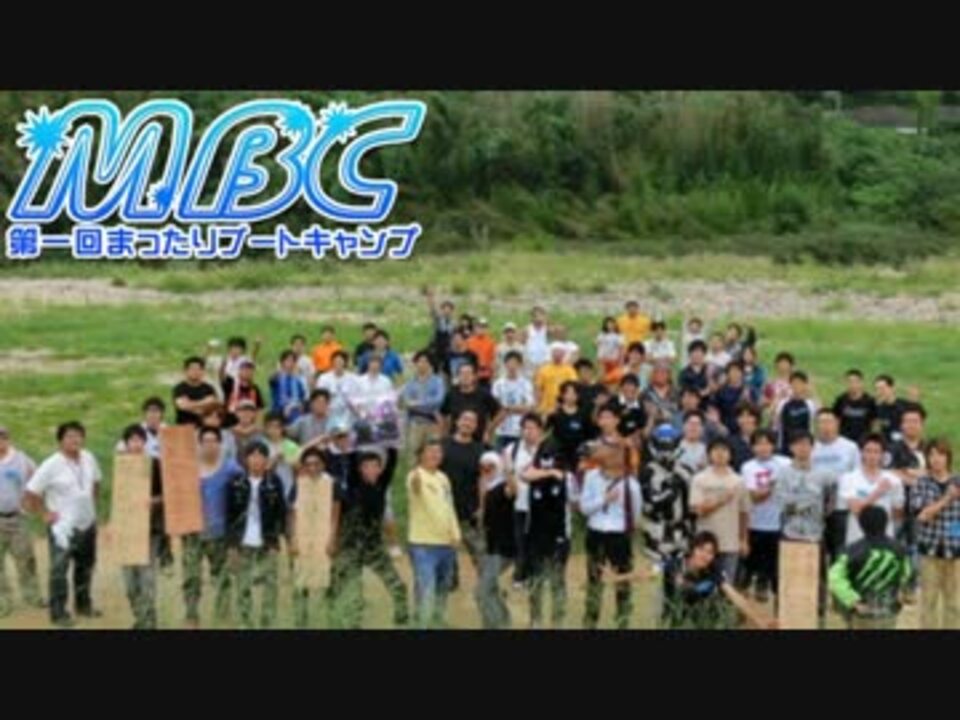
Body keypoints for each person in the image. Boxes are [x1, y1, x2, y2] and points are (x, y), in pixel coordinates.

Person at [609, 530, 775, 630]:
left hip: (701, 621)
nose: (705, 555)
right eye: (701, 549)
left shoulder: (713, 571)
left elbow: (735, 596)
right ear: (692, 549)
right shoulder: (674, 562)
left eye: (710, 552)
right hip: (672, 619)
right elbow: (647, 573)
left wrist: (759, 620)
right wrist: (617, 577)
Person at [23, 421, 102, 627]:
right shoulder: (51, 464)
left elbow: (96, 483)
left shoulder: (89, 458)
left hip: (87, 523)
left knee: (85, 567)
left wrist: (93, 507)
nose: (75, 439)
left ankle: (83, 605)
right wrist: (44, 513)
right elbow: (31, 492)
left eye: (78, 435)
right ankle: (58, 614)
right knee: (59, 571)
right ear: (60, 441)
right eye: (69, 436)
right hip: (62, 528)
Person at [327, 448, 409, 629]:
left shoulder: (381, 486)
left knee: (397, 586)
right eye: (366, 466)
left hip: (373, 546)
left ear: (380, 469)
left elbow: (392, 459)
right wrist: (355, 442)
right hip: (350, 546)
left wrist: (391, 443)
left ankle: (401, 621)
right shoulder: (353, 485)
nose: (371, 470)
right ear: (360, 469)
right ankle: (347, 623)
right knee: (351, 591)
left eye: (375, 466)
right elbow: (352, 457)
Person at [225, 441, 290, 629]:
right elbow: (229, 515)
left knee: (269, 586)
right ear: (246, 459)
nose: (256, 460)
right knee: (243, 585)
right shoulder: (236, 482)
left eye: (261, 455)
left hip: (266, 542)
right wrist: (232, 546)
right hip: (242, 542)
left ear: (266, 460)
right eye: (252, 455)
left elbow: (281, 514)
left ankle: (266, 622)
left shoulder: (274, 482)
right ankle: (246, 623)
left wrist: (276, 544)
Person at [182, 426, 241, 629]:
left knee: (221, 576)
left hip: (219, 533)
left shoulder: (231, 468)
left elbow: (241, 496)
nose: (209, 445)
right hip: (192, 533)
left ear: (220, 444)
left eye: (213, 441)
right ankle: (191, 615)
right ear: (199, 444)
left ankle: (223, 614)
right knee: (191, 576)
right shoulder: (188, 469)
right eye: (205, 441)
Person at [580, 446, 642, 629]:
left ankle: (622, 621)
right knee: (594, 579)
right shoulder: (591, 477)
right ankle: (590, 622)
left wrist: (627, 530)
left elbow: (636, 514)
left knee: (622, 581)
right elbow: (584, 508)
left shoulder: (631, 484)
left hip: (619, 536)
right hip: (596, 532)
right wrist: (604, 500)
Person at [775, 430, 835, 617]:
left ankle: (818, 616)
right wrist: (808, 503)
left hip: (815, 534)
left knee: (818, 578)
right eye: (798, 444)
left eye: (806, 444)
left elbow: (830, 502)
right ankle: (785, 616)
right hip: (790, 533)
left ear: (812, 447)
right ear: (791, 447)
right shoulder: (783, 474)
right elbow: (782, 504)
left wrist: (812, 507)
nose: (802, 448)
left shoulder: (825, 474)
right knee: (787, 577)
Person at [520, 426, 572, 629]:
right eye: (544, 456)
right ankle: (535, 620)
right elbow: (526, 475)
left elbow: (569, 488)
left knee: (557, 578)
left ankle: (558, 621)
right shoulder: (536, 471)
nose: (547, 459)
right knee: (536, 578)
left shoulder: (567, 476)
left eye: (551, 457)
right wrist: (549, 472)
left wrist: (558, 473)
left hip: (559, 533)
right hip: (536, 532)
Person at [406, 439, 461, 629]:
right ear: (421, 455)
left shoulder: (443, 478)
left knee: (442, 591)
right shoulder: (415, 476)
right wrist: (415, 470)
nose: (435, 455)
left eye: (438, 451)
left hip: (446, 544)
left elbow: (449, 507)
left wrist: (456, 534)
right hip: (423, 545)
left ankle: (436, 623)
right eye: (430, 451)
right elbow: (415, 486)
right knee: (426, 591)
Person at [828, 506, 911, 629]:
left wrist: (853, 601)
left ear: (861, 525)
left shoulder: (851, 550)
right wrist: (902, 593)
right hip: (888, 610)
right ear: (886, 522)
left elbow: (835, 578)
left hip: (860, 612)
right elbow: (907, 574)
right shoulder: (899, 549)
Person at [116, 424, 164, 630]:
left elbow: (167, 494)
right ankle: (139, 617)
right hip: (126, 531)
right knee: (129, 582)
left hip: (150, 530)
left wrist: (154, 501)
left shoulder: (155, 465)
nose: (136, 444)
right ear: (126, 444)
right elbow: (116, 500)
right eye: (132, 440)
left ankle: (149, 622)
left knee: (147, 578)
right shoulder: (121, 466)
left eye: (139, 440)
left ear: (145, 443)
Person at [912, 439, 960, 629]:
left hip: (955, 553)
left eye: (941, 454)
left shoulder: (958, 481)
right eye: (931, 455)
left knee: (954, 604)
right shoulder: (921, 483)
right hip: (929, 552)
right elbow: (921, 515)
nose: (936, 459)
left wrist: (934, 511)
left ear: (948, 457)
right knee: (928, 603)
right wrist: (947, 499)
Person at [287, 447, 337, 628]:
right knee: (301, 581)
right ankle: (301, 622)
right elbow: (292, 513)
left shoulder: (332, 483)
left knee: (327, 580)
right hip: (302, 536)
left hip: (324, 536)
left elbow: (335, 514)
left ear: (323, 464)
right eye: (308, 464)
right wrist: (293, 539)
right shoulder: (299, 483)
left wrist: (332, 539)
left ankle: (331, 621)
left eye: (316, 464)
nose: (312, 468)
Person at [739, 430, 790, 601]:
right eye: (758, 443)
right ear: (752, 447)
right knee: (749, 567)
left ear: (773, 445)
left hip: (779, 524)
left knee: (776, 570)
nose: (763, 447)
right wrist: (773, 484)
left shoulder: (785, 463)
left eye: (767, 443)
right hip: (754, 523)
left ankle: (778, 605)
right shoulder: (747, 467)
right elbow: (754, 497)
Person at [690, 437, 750, 583]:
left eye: (724, 450)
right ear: (709, 454)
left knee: (727, 584)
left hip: (730, 543)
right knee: (702, 585)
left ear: (730, 454)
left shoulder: (738, 481)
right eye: (716, 450)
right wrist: (721, 500)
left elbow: (743, 512)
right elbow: (698, 509)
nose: (720, 454)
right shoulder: (699, 479)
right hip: (705, 544)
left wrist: (743, 539)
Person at [886, 405, 927, 601]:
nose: (911, 425)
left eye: (915, 421)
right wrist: (916, 476)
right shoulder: (892, 448)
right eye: (907, 421)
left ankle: (913, 586)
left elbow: (937, 473)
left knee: (917, 547)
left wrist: (907, 473)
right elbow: (888, 473)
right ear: (901, 425)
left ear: (922, 424)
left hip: (922, 509)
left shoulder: (929, 448)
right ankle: (893, 586)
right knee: (894, 545)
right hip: (897, 508)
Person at [0, 426, 43, 614]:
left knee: (26, 559)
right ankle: (2, 602)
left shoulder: (22, 460)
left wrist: (31, 504)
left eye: (2, 437)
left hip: (17, 519)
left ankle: (32, 595)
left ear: (8, 439)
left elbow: (38, 480)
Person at [812, 409, 861, 568]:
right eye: (821, 422)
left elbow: (857, 476)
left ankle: (837, 580)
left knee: (839, 549)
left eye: (829, 421)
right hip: (815, 507)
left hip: (841, 507)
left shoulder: (850, 447)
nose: (825, 426)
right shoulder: (810, 446)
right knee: (816, 548)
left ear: (837, 423)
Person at [502, 413, 546, 588]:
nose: (527, 432)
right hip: (519, 503)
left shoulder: (548, 450)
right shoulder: (511, 450)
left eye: (531, 428)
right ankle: (520, 576)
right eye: (524, 428)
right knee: (520, 541)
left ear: (540, 430)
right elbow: (506, 474)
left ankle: (535, 576)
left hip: (541, 505)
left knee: (537, 542)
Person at [440, 411, 486, 577]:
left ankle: (488, 584)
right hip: (444, 508)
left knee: (479, 550)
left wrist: (482, 506)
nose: (467, 423)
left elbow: (482, 480)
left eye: (472, 421)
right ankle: (450, 582)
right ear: (457, 422)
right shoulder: (442, 445)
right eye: (464, 419)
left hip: (470, 509)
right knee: (447, 548)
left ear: (476, 426)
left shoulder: (480, 450)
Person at [838, 433, 904, 546]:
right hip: (857, 540)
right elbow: (856, 509)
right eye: (868, 451)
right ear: (861, 453)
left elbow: (897, 512)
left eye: (876, 451)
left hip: (885, 539)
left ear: (883, 455)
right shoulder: (849, 479)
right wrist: (877, 493)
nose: (872, 456)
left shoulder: (894, 480)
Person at [475, 451, 516, 629]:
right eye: (483, 467)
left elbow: (513, 490)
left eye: (490, 467)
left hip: (504, 549)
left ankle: (495, 624)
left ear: (498, 467)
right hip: (492, 548)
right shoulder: (489, 489)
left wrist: (508, 470)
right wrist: (482, 492)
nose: (486, 471)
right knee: (489, 589)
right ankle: (503, 620)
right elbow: (483, 517)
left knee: (481, 592)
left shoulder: (503, 486)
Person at [400, 351, 445, 464]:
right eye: (419, 361)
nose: (422, 364)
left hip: (432, 423)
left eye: (425, 361)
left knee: (431, 454)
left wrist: (417, 403)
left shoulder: (437, 381)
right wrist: (426, 404)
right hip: (415, 423)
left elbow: (438, 400)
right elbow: (407, 402)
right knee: (414, 454)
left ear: (431, 364)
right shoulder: (411, 383)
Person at [439, 362, 503, 443]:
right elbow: (442, 414)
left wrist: (489, 430)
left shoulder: (484, 394)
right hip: (456, 439)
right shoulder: (451, 394)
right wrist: (444, 433)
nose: (465, 377)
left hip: (478, 439)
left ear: (474, 376)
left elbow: (500, 412)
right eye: (462, 374)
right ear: (458, 377)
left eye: (468, 374)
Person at [491, 351, 536, 452]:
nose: (512, 366)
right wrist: (517, 408)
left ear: (520, 365)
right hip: (501, 430)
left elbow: (529, 407)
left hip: (519, 430)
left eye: (515, 363)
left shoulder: (525, 384)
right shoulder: (498, 384)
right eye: (510, 363)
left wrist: (508, 408)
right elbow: (496, 407)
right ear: (505, 364)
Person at [546, 381, 593, 475]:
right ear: (562, 395)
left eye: (574, 393)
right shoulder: (556, 413)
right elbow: (544, 429)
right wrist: (548, 415)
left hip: (578, 455)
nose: (571, 396)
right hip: (559, 455)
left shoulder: (584, 413)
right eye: (568, 393)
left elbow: (589, 435)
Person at [774, 371, 818, 455]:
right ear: (790, 385)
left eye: (800, 383)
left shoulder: (810, 404)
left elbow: (822, 413)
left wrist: (813, 393)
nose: (797, 386)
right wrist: (779, 396)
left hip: (805, 446)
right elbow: (774, 418)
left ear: (805, 385)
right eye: (794, 383)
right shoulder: (784, 403)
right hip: (785, 446)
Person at [534, 342, 577, 419]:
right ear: (551, 353)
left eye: (560, 352)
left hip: (564, 407)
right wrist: (537, 404)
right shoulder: (543, 370)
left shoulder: (569, 370)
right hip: (546, 408)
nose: (557, 354)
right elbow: (538, 389)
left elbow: (574, 387)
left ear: (564, 354)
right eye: (555, 352)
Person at [315, 350, 358, 428]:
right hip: (329, 412)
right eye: (336, 362)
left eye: (340, 362)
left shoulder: (353, 378)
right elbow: (319, 396)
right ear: (332, 363)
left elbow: (355, 398)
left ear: (345, 363)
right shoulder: (324, 378)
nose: (338, 364)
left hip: (347, 412)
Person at [173, 356, 220, 426]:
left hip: (205, 427)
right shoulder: (179, 388)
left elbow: (212, 405)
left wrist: (190, 404)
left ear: (203, 371)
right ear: (186, 371)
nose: (195, 372)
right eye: (192, 369)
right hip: (184, 426)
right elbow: (182, 406)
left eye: (198, 369)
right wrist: (204, 403)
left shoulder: (209, 388)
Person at [832, 369, 877, 443]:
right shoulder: (841, 400)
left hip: (863, 441)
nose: (853, 385)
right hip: (845, 440)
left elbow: (874, 422)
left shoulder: (870, 401)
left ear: (861, 383)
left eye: (856, 382)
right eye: (849, 382)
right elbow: (835, 420)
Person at [269, 350, 309, 426]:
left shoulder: (298, 380)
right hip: (279, 410)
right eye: (287, 360)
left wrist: (296, 406)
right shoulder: (277, 377)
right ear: (282, 363)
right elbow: (272, 382)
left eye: (293, 361)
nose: (290, 363)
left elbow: (302, 397)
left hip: (295, 409)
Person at [712, 362, 751, 435]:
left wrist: (748, 399)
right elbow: (714, 409)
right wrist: (719, 425)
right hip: (724, 427)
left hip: (743, 428)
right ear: (728, 374)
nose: (735, 374)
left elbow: (753, 411)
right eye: (732, 371)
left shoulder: (747, 390)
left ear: (742, 373)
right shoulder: (721, 391)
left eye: (737, 371)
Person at [222, 360, 265, 424]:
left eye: (250, 370)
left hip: (248, 421)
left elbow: (259, 408)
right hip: (230, 420)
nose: (247, 372)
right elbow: (222, 376)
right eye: (244, 370)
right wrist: (224, 364)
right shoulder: (231, 384)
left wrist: (257, 423)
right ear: (239, 371)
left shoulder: (255, 388)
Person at [425, 288, 456, 374]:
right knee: (434, 368)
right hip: (437, 347)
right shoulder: (438, 320)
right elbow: (432, 310)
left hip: (447, 349)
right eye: (445, 309)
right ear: (442, 310)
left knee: (447, 370)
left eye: (449, 309)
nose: (447, 311)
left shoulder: (453, 323)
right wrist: (430, 298)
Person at [642, 362, 680, 431]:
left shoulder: (676, 392)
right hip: (653, 427)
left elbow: (677, 410)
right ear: (653, 374)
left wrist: (659, 411)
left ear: (669, 375)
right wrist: (666, 412)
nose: (660, 374)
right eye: (657, 372)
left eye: (664, 372)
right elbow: (649, 411)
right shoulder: (646, 392)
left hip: (673, 427)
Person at [466, 317, 497, 388]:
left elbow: (494, 360)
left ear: (487, 329)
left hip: (486, 375)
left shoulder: (491, 343)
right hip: (472, 375)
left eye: (484, 327)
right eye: (479, 326)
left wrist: (493, 375)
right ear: (475, 328)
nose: (481, 329)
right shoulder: (469, 342)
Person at [728, 404, 759, 472]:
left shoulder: (765, 438)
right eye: (741, 416)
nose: (745, 420)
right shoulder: (731, 442)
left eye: (749, 416)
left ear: (756, 418)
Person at [596, 316, 625, 387]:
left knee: (613, 378)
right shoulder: (602, 335)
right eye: (608, 324)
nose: (610, 325)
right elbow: (598, 346)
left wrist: (621, 361)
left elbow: (621, 349)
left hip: (613, 360)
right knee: (601, 378)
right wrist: (598, 358)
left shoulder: (619, 336)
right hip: (603, 360)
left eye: (612, 323)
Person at [523, 305, 551, 377]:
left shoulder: (547, 329)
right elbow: (523, 345)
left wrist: (546, 321)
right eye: (536, 316)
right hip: (531, 363)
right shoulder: (527, 329)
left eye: (541, 315)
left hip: (544, 361)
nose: (538, 318)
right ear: (532, 317)